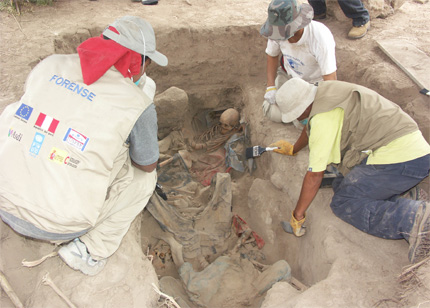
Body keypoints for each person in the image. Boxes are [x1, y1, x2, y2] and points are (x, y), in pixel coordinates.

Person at [0, 16, 168, 275]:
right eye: (148, 63)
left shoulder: (50, 64)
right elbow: (147, 164)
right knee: (143, 179)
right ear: (139, 62)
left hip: (4, 198)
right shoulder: (137, 103)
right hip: (57, 224)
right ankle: (87, 250)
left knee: (18, 115)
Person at [270, 77, 430, 264]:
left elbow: (314, 175)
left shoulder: (323, 119)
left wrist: (298, 215)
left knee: (344, 201)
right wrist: (294, 149)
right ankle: (408, 198)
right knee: (342, 183)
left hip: (403, 158)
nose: (298, 119)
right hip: (404, 146)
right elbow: (309, 128)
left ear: (304, 107)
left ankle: (413, 219)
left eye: (296, 114)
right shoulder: (325, 92)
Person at [260, 0, 337, 126]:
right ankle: (296, 117)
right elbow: (272, 55)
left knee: (302, 122)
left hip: (313, 85)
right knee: (271, 110)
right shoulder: (276, 32)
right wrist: (271, 87)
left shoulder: (320, 37)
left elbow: (331, 80)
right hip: (289, 78)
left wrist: (323, 107)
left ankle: (300, 119)